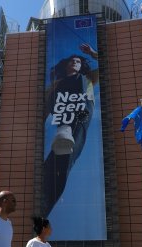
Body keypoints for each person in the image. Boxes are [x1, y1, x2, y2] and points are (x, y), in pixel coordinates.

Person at [43, 43, 99, 217]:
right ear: (66, 64)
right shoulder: (55, 85)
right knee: (50, 169)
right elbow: (44, 109)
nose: (75, 63)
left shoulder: (88, 79)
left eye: (78, 61)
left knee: (66, 157)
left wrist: (91, 52)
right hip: (61, 117)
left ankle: (67, 132)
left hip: (80, 116)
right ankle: (44, 202)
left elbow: (106, 63)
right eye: (72, 61)